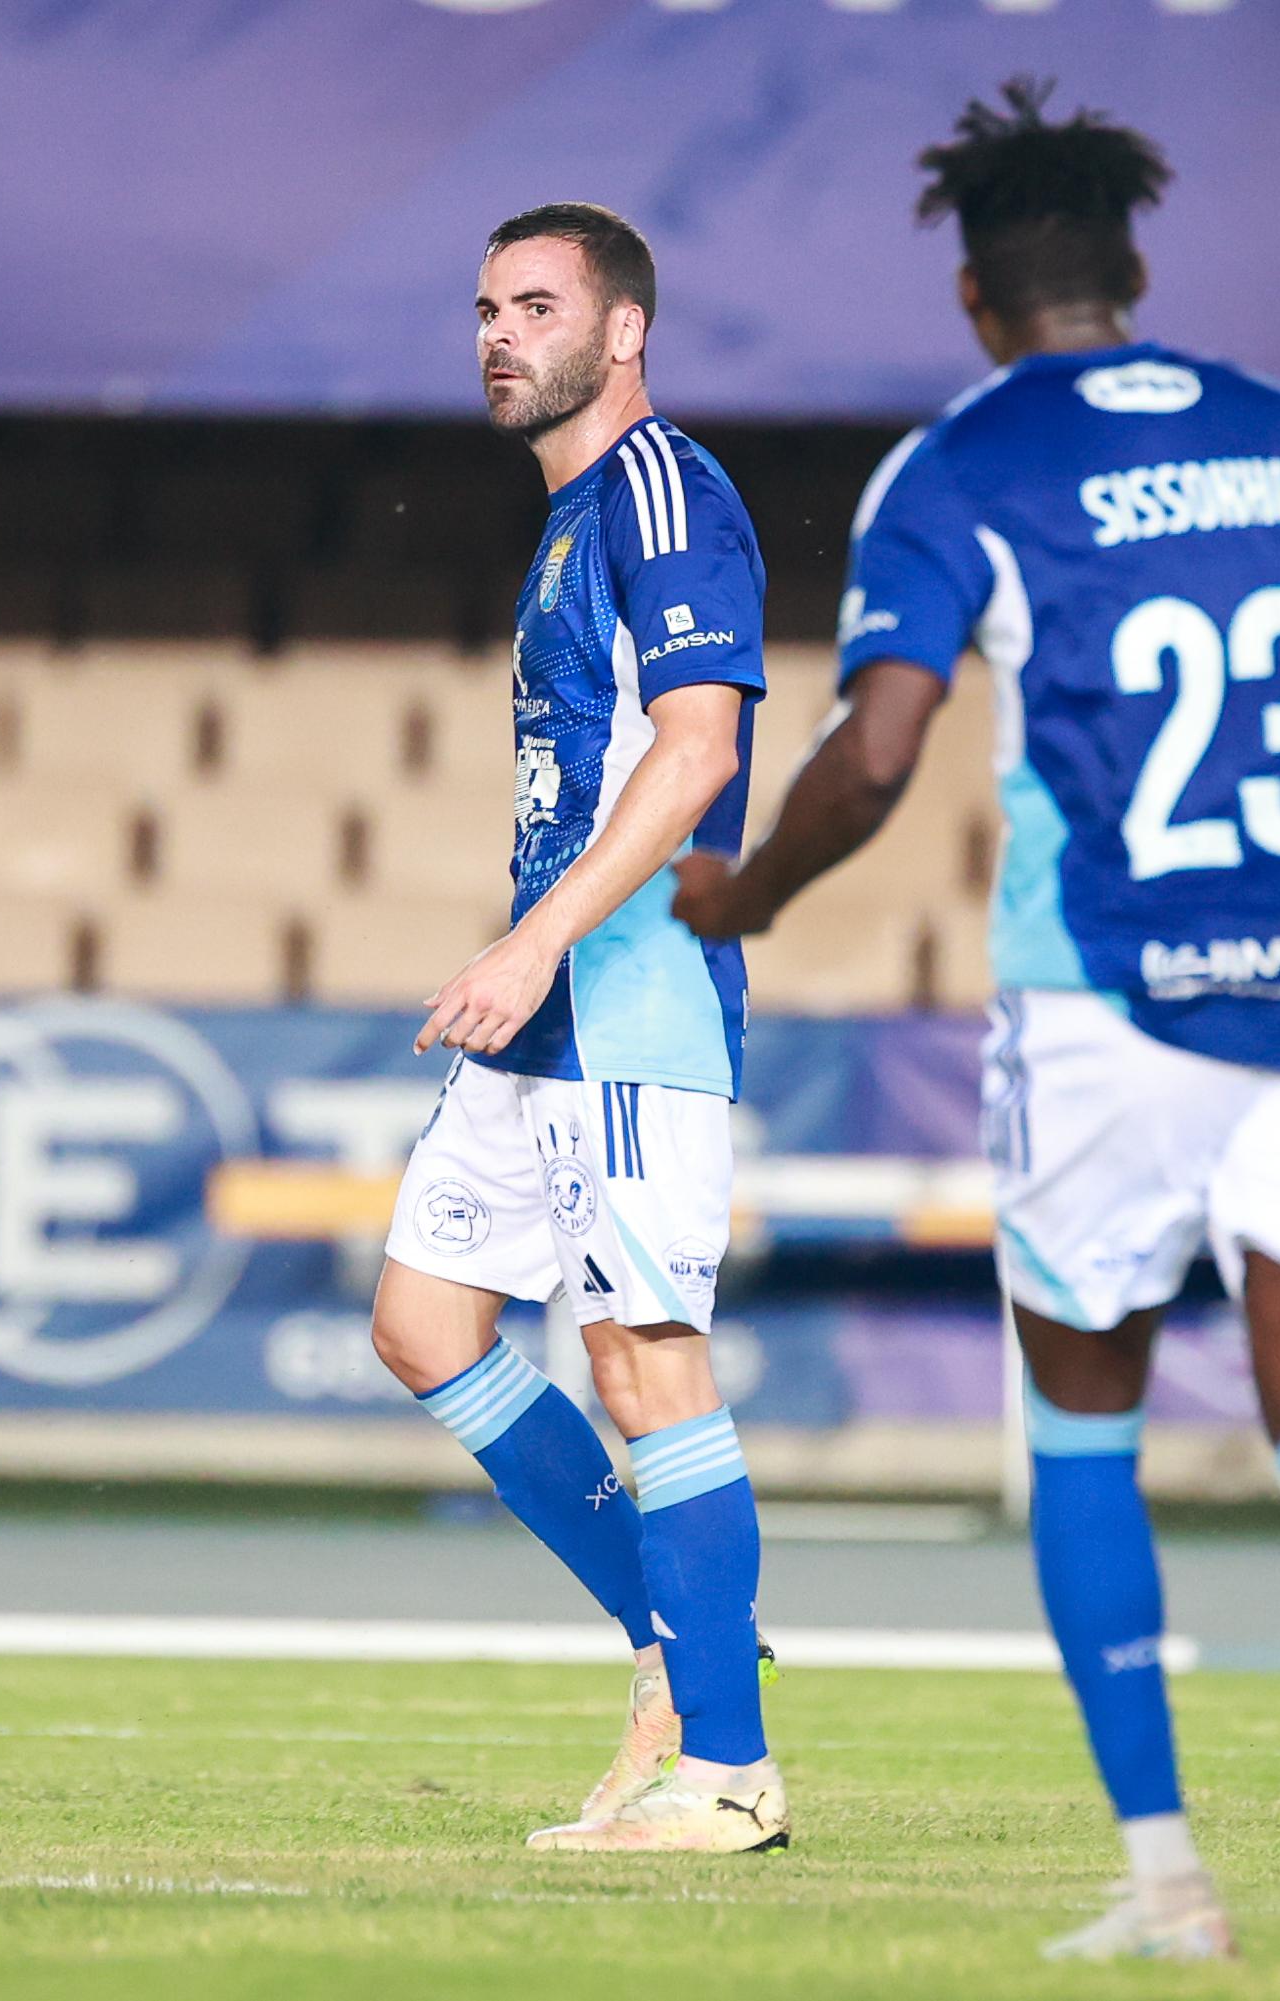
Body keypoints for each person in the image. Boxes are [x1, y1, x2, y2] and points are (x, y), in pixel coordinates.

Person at [674, 85, 1280, 1950]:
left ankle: (1167, 1883)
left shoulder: (962, 465)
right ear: (1132, 271)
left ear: (976, 301)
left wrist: (746, 893)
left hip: (1109, 1000)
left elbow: (875, 753)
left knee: (1081, 1434)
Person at [373, 202, 783, 1855]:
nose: (498, 331)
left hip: (630, 999)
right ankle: (687, 1649)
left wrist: (535, 942)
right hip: (547, 1010)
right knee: (422, 1323)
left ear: (624, 333)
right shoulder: (567, 520)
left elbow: (695, 755)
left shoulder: (669, 493)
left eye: (537, 304)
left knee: (643, 1362)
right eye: (483, 306)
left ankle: (731, 1770)